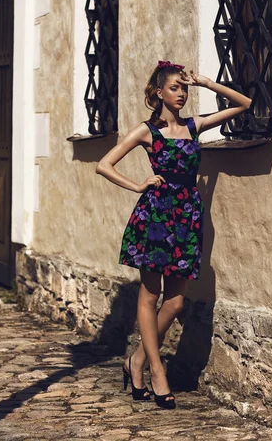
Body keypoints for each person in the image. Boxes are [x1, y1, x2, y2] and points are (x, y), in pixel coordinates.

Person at [96, 60, 251, 409]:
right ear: (159, 93)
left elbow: (244, 104)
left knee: (177, 301)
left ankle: (135, 359)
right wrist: (138, 184)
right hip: (154, 217)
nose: (181, 94)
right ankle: (155, 369)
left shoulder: (194, 127)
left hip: (186, 219)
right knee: (150, 296)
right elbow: (103, 165)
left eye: (184, 88)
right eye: (175, 88)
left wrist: (208, 83)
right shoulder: (146, 132)